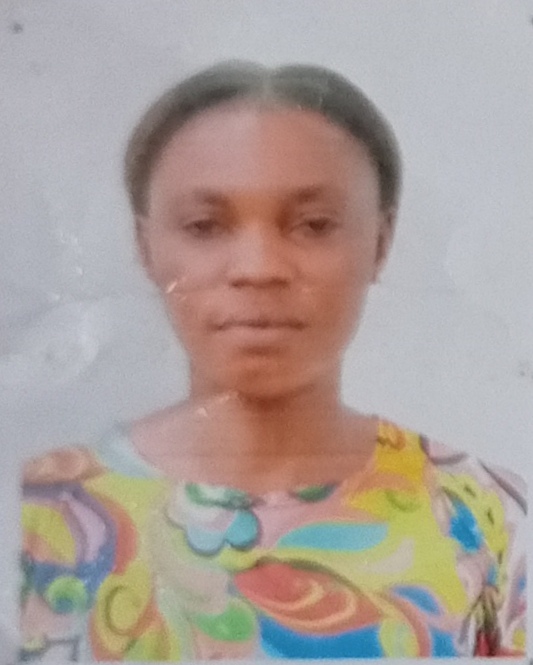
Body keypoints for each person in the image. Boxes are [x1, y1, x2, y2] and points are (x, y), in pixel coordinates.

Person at [19, 61, 526, 661]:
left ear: (380, 242)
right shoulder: (46, 512)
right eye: (205, 226)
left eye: (313, 225)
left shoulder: (484, 517)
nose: (258, 267)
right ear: (146, 245)